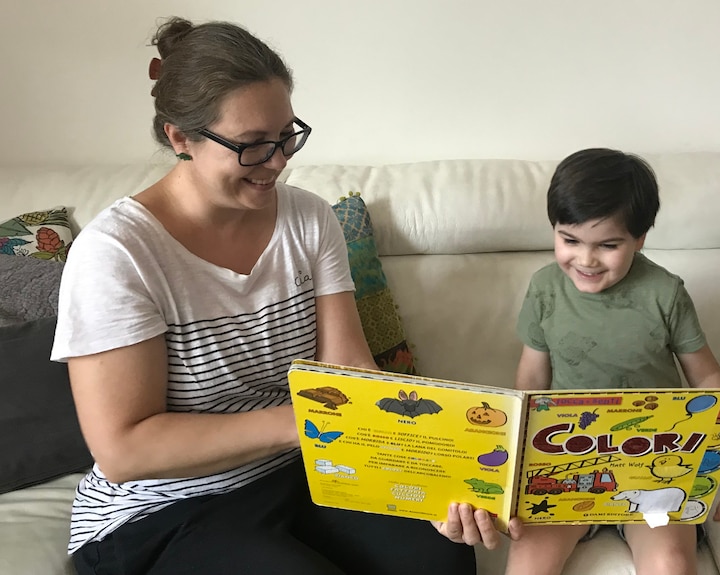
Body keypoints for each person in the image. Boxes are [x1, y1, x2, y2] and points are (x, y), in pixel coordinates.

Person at [51, 17, 476, 575]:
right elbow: (126, 450)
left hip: (300, 474)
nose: (278, 161)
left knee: (439, 556)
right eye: (252, 146)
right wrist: (305, 420)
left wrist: (434, 472)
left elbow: (350, 371)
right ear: (181, 138)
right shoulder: (119, 252)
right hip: (160, 511)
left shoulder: (308, 218)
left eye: (286, 136)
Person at [503, 148, 720, 575]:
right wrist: (515, 467)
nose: (586, 260)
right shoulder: (544, 289)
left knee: (670, 563)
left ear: (640, 237)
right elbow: (530, 379)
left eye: (608, 245)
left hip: (653, 463)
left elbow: (709, 382)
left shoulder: (664, 293)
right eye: (569, 240)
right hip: (568, 461)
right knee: (527, 563)